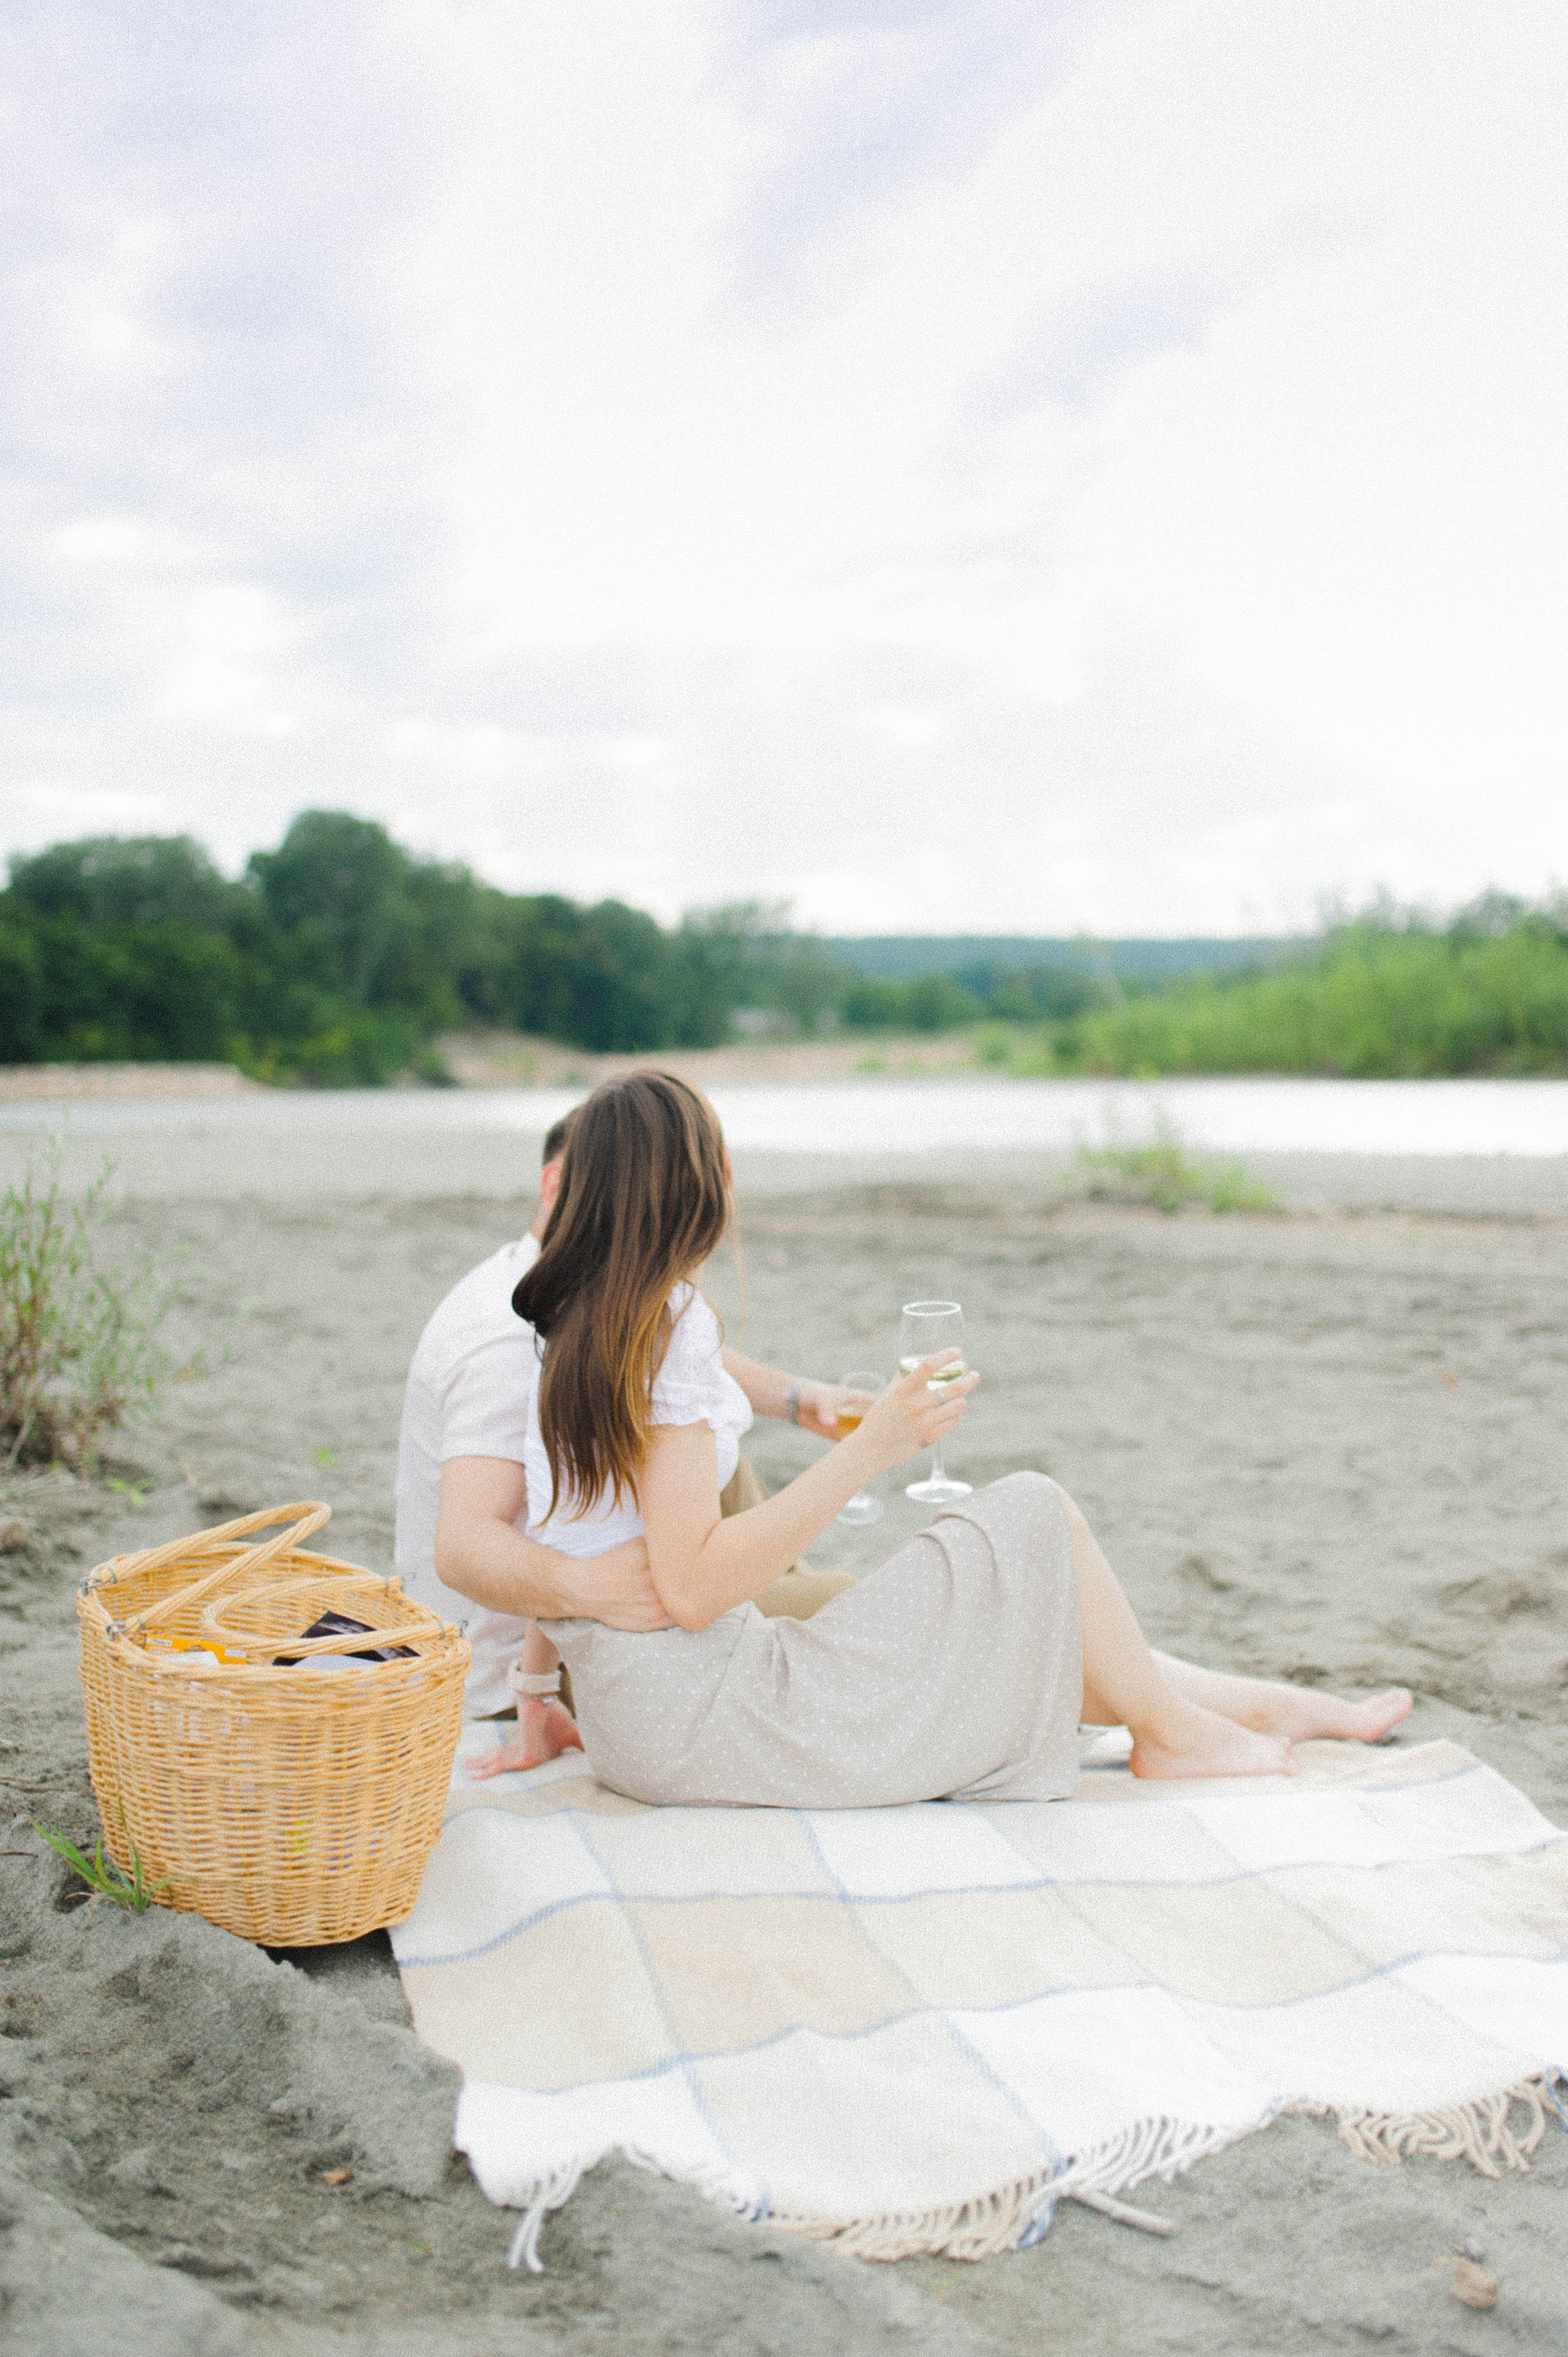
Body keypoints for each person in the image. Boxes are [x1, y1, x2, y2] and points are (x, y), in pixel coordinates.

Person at [451, 1072, 1411, 1802]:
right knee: (1035, 1512)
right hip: (718, 1718)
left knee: (1003, 1604)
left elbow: (562, 1526)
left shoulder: (567, 1328)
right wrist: (874, 1445)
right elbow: (695, 1586)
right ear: (704, 1185)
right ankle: (1179, 1733)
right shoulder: (669, 1329)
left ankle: (1215, 1714)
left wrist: (539, 1689)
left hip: (641, 1731)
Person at [394, 1113, 859, 1719]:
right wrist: (583, 1586)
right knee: (852, 1607)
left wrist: (798, 1399)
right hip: (532, 1666)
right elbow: (461, 1546)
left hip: (584, 1625)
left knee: (715, 1451)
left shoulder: (579, 1289)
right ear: (559, 1185)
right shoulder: (506, 1336)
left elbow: (678, 1362)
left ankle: (781, 1607)